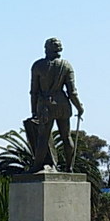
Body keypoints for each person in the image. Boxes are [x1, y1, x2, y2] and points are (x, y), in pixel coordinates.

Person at [27, 38, 84, 173]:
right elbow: (72, 92)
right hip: (63, 104)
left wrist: (33, 110)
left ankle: (36, 166)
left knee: (43, 137)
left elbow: (33, 91)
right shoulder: (66, 65)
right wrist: (79, 107)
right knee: (66, 136)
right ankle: (69, 167)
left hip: (45, 106)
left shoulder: (38, 65)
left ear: (46, 48)